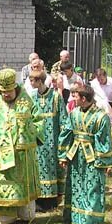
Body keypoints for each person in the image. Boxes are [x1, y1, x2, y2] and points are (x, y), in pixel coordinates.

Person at [0, 68, 45, 224]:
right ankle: (3, 215)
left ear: (15, 87)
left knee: (24, 197)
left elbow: (39, 121)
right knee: (2, 182)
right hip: (1, 153)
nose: (5, 95)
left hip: (22, 154)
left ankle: (24, 211)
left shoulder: (27, 102)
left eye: (8, 91)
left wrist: (28, 132)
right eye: (2, 91)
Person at [58, 86, 112, 224]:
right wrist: (63, 156)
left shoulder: (101, 117)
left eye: (75, 96)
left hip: (93, 158)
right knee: (75, 186)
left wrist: (103, 161)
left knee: (92, 187)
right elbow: (66, 133)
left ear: (83, 98)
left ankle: (90, 220)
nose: (73, 99)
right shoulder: (74, 113)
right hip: (76, 156)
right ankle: (73, 217)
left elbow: (105, 139)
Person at [26, 69, 69, 210]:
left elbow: (63, 119)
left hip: (52, 142)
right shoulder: (31, 96)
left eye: (33, 80)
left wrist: (62, 141)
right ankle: (37, 200)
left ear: (40, 81)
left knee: (52, 169)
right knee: (37, 169)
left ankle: (52, 201)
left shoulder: (56, 97)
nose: (31, 83)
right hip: (37, 141)